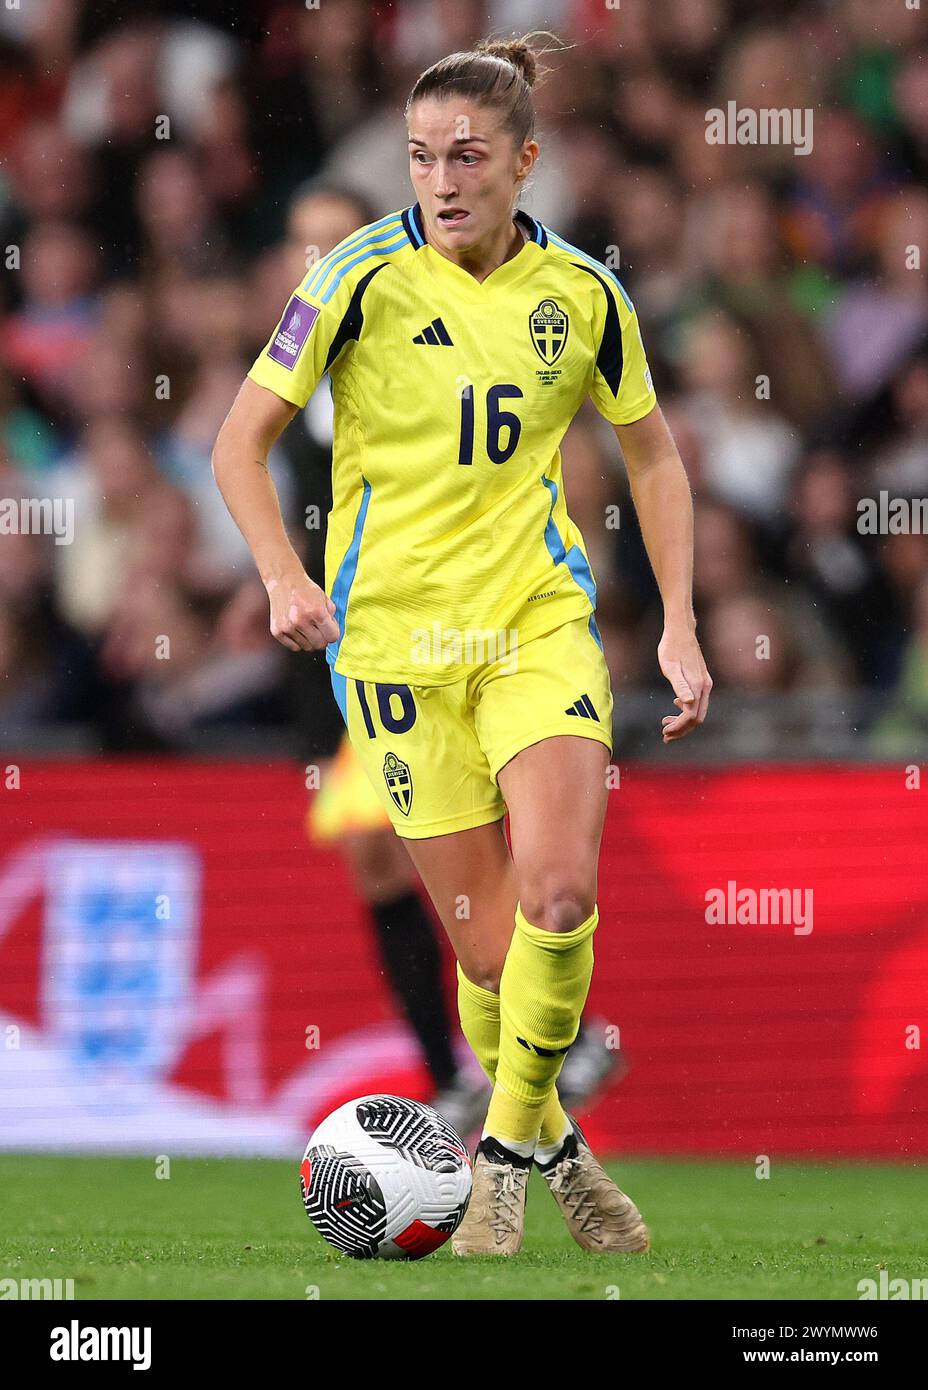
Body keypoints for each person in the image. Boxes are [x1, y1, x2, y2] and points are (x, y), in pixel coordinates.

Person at [213, 35, 711, 1257]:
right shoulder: (352, 277)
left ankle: (497, 1156)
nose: (440, 180)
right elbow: (239, 444)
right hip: (390, 648)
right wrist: (282, 575)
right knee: (489, 954)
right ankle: (560, 1150)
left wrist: (684, 624)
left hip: (534, 623)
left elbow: (651, 452)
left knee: (558, 892)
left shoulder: (586, 296)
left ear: (525, 162)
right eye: (423, 156)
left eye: (469, 157)